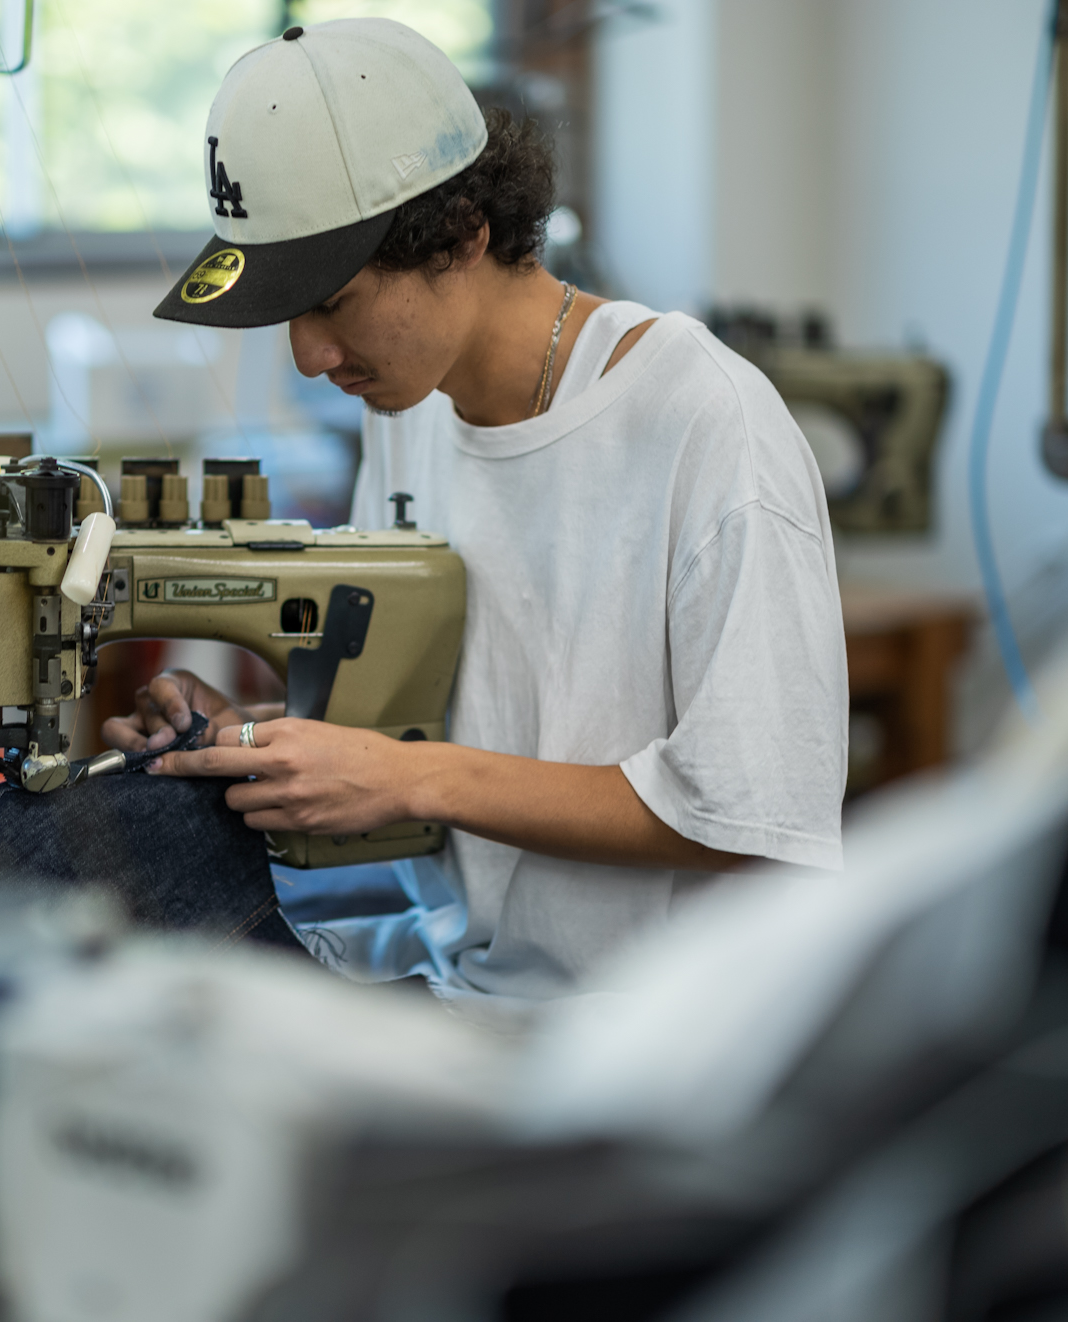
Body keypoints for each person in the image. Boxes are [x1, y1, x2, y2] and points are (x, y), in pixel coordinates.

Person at [109, 17, 849, 1015]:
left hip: (645, 1030)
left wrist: (411, 778)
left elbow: (755, 815)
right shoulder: (409, 410)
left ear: (463, 235)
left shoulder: (704, 423)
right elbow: (471, 720)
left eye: (333, 301)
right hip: (457, 981)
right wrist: (263, 742)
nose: (308, 356)